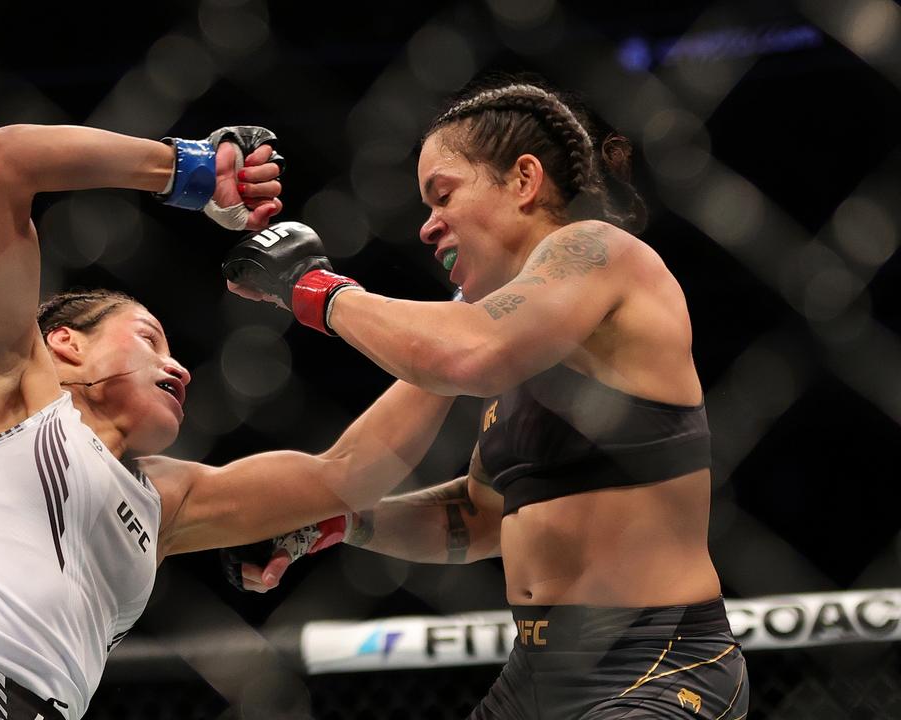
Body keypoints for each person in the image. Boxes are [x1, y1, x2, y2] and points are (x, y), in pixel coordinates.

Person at [0, 123, 459, 720]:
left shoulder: (163, 499)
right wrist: (193, 170)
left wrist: (468, 320)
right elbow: (5, 163)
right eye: (149, 339)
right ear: (65, 344)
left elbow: (348, 473)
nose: (178, 368)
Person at [222, 77, 749, 719]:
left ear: (524, 181)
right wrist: (333, 524)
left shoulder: (596, 251)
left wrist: (313, 288)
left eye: (443, 195)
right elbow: (476, 519)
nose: (427, 227)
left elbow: (465, 353)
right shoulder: (512, 341)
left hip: (656, 665)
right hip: (533, 678)